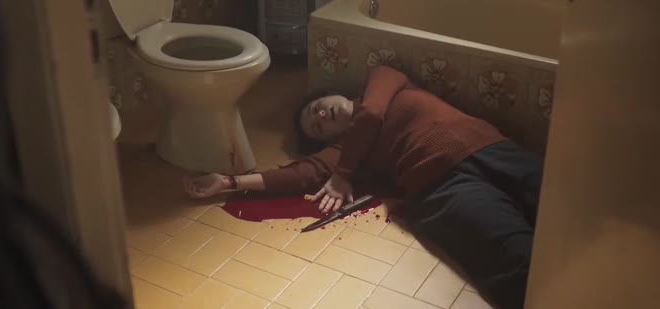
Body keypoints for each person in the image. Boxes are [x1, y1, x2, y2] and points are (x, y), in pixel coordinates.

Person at [184, 65, 543, 309]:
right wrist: (228, 181)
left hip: (493, 149)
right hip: (443, 186)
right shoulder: (345, 151)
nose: (321, 116)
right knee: (516, 261)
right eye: (317, 127)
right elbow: (303, 174)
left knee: (565, 215)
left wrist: (344, 173)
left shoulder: (385, 81)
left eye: (317, 109)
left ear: (333, 94)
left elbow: (370, 113)